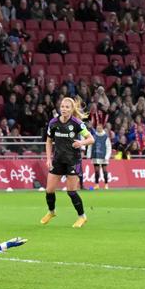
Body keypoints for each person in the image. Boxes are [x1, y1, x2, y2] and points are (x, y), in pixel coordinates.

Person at [41, 97, 95, 228]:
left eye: (67, 107)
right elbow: (48, 141)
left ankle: (82, 217)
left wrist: (81, 142)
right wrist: (48, 158)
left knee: (71, 191)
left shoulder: (76, 123)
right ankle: (51, 212)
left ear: (71, 110)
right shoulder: (53, 123)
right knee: (49, 190)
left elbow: (91, 139)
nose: (64, 109)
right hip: (58, 160)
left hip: (73, 160)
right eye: (62, 106)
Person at [86, 122, 112, 190]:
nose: (98, 129)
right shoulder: (94, 136)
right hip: (96, 155)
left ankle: (106, 184)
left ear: (102, 128)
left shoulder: (106, 137)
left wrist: (107, 156)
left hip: (103, 156)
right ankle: (97, 184)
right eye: (97, 128)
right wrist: (88, 155)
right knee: (96, 171)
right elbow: (90, 146)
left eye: (99, 128)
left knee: (104, 171)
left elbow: (109, 147)